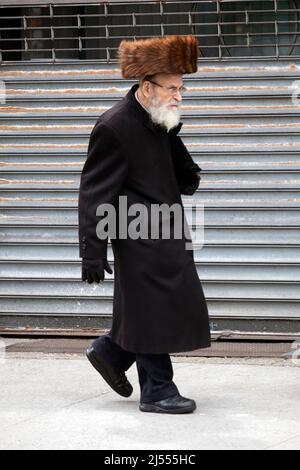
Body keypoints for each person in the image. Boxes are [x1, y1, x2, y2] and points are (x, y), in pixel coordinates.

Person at [78, 35, 211, 414]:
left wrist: (187, 175)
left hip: (166, 228)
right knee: (153, 307)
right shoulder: (114, 126)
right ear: (148, 87)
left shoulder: (157, 117)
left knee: (167, 305)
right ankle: (157, 390)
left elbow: (171, 153)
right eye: (172, 88)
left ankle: (110, 351)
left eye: (181, 88)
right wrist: (92, 252)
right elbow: (93, 193)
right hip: (135, 232)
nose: (179, 96)